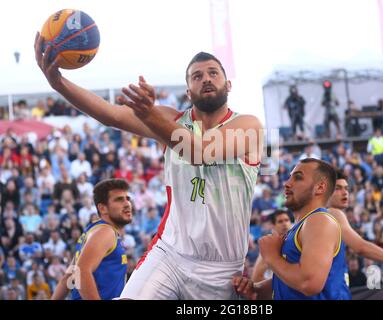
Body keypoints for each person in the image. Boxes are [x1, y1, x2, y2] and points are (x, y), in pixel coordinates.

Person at [35, 38, 263, 299]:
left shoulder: (248, 126)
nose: (206, 79)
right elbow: (111, 115)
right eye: (197, 76)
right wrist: (58, 83)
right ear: (188, 92)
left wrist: (149, 115)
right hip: (170, 253)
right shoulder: (171, 119)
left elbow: (201, 152)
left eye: (213, 73)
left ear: (229, 84)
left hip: (220, 269)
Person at [233, 158, 351, 300]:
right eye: (289, 178)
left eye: (298, 178)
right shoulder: (300, 227)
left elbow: (309, 283)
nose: (287, 184)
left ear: (320, 187)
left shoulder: (320, 220)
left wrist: (272, 257)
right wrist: (255, 290)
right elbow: (291, 283)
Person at [51, 178, 133, 300]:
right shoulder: (105, 232)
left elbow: (68, 278)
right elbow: (81, 271)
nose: (127, 203)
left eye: (127, 198)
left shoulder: (93, 231)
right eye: (119, 199)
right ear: (103, 208)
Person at [251, 210, 293, 283]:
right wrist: (277, 289)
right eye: (280, 221)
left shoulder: (293, 241)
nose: (285, 224)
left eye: (287, 220)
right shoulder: (270, 246)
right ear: (273, 225)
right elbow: (256, 278)